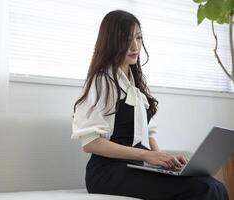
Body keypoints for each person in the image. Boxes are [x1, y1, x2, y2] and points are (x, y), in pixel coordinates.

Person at [71, 10, 228, 200]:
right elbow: (91, 143)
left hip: (135, 167)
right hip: (106, 173)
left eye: (138, 38)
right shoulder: (101, 80)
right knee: (204, 189)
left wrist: (164, 159)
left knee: (215, 185)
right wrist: (146, 156)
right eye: (126, 39)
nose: (135, 46)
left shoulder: (135, 85)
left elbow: (148, 136)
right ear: (111, 41)